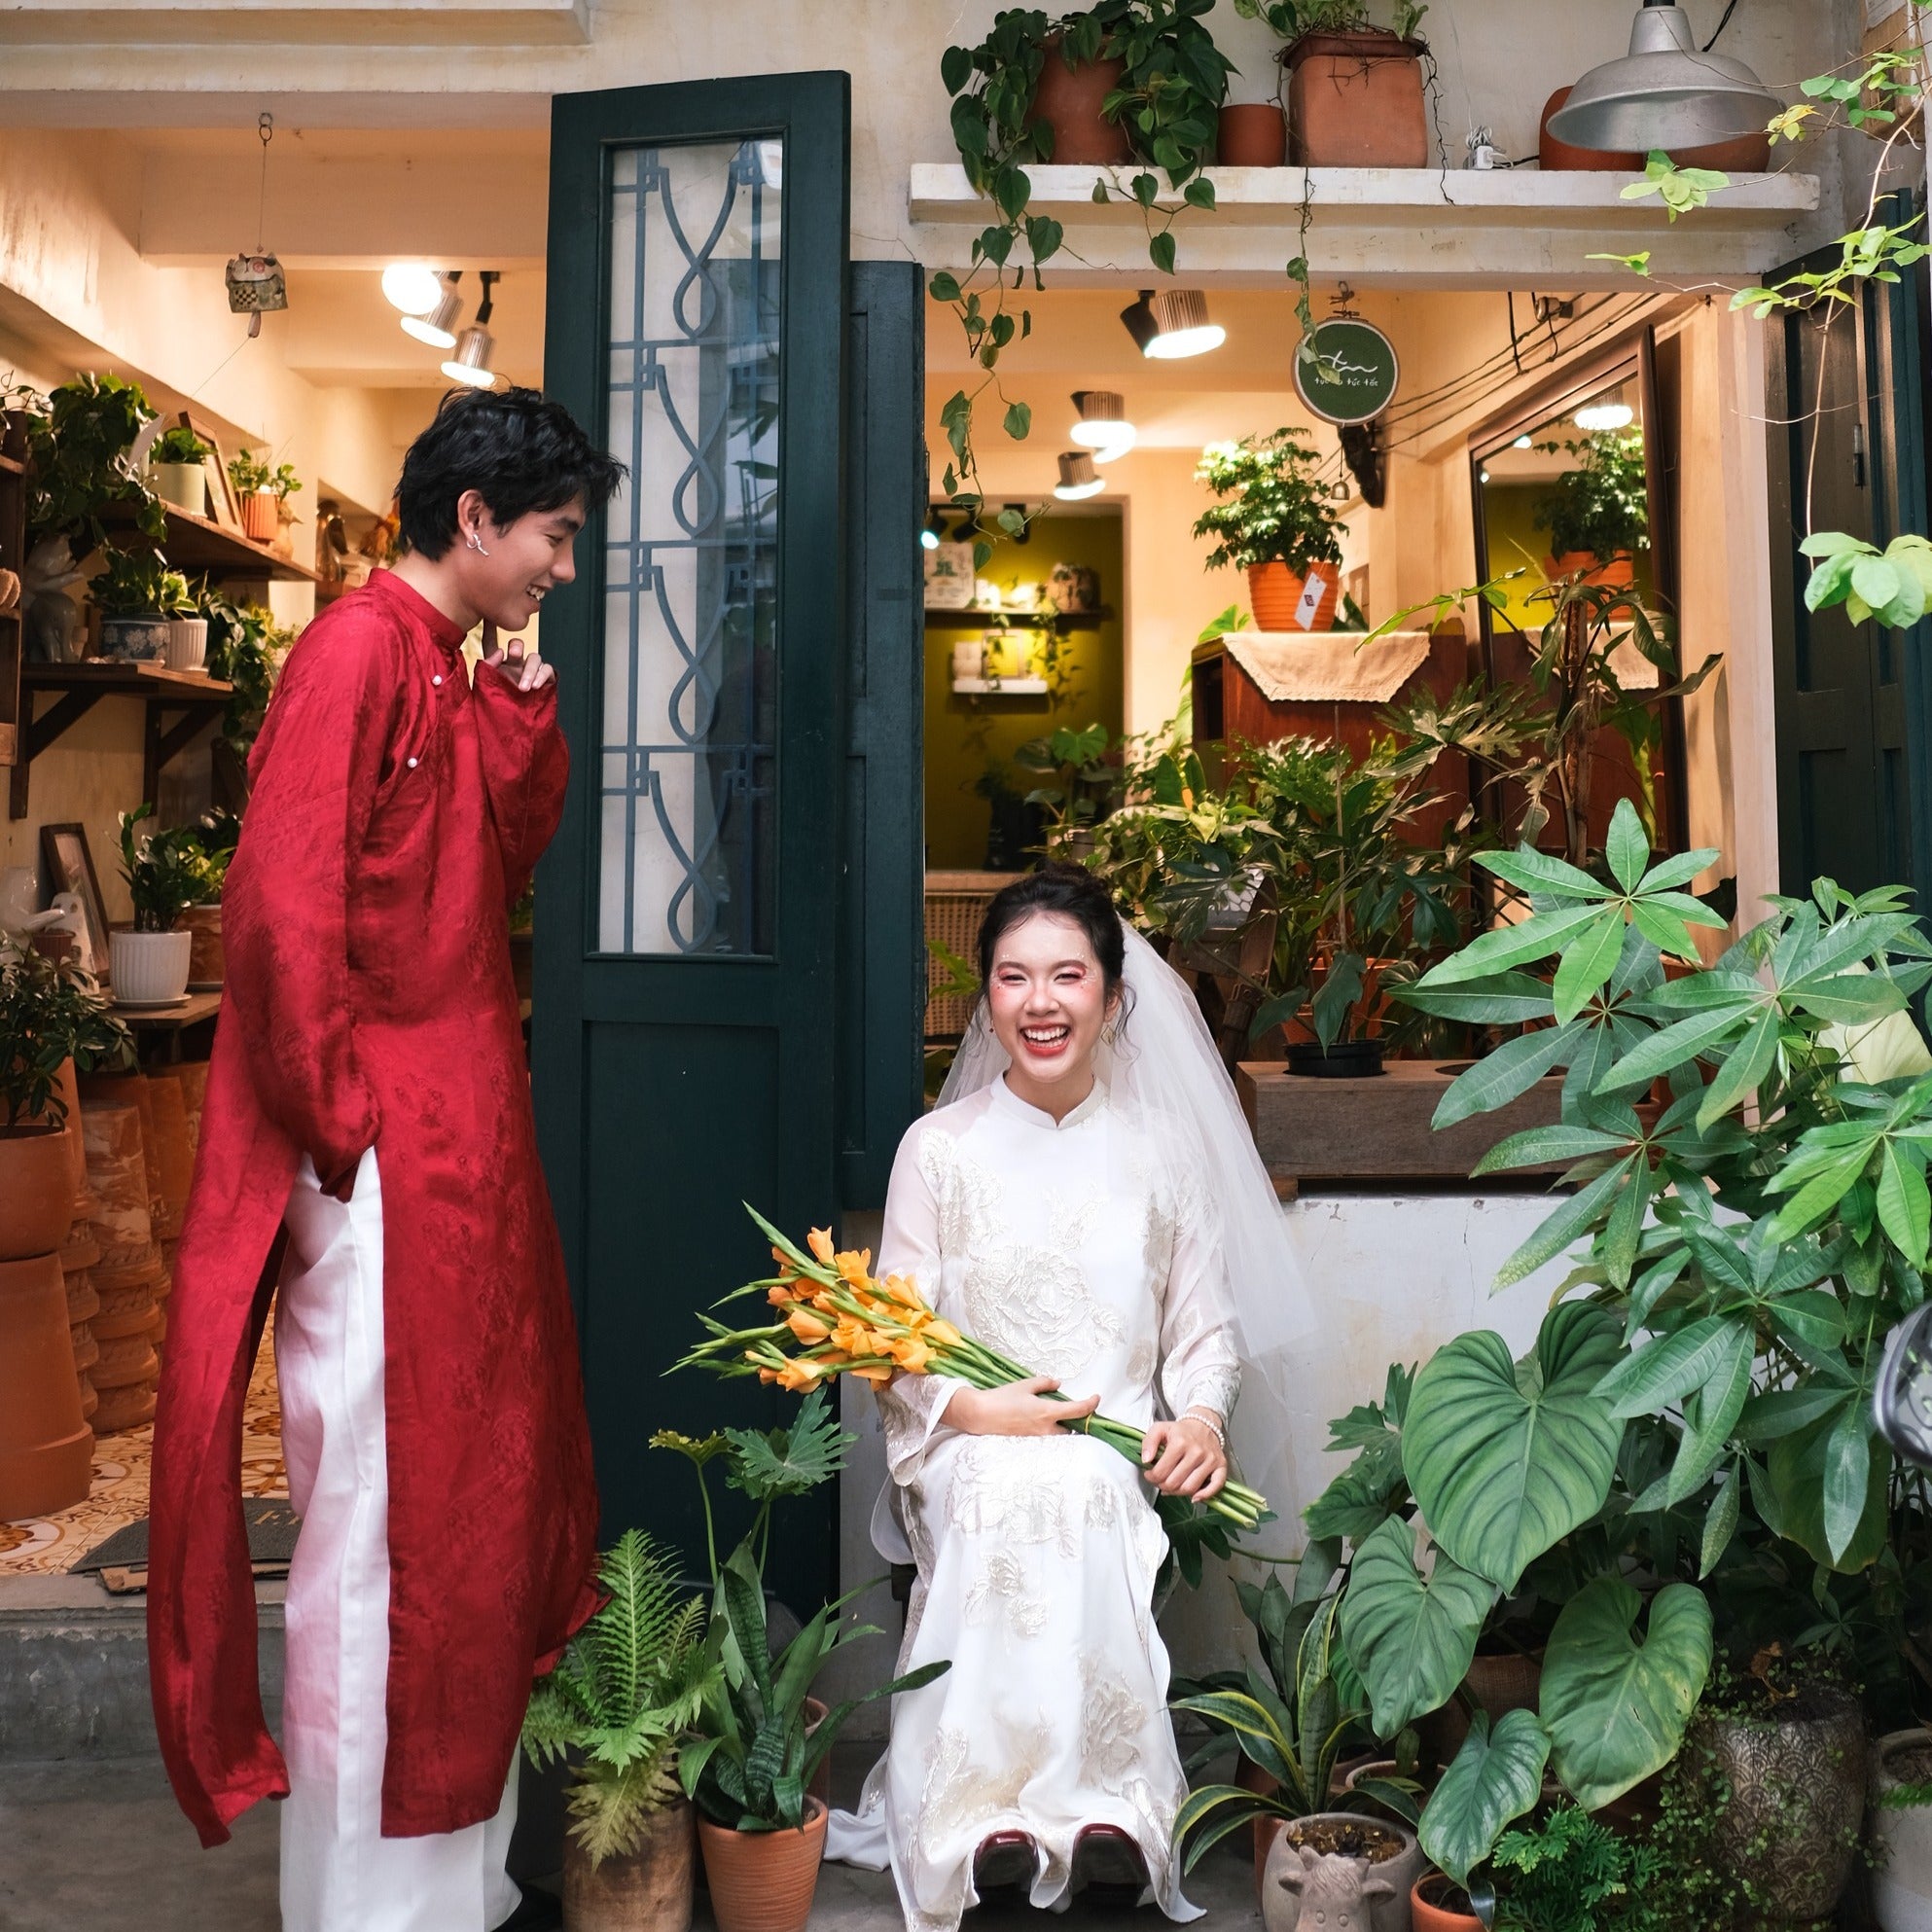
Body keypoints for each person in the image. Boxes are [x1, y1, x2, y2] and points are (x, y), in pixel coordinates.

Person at [147, 387, 625, 1932]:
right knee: (381, 1530)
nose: (564, 563)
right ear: (475, 518)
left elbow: (495, 863)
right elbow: (279, 916)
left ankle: (441, 1886)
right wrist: (345, 1134)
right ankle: (368, 1906)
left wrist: (519, 694)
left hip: (446, 1161)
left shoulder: (437, 658)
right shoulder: (355, 650)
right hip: (387, 1170)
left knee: (458, 1515)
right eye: (552, 535)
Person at [826, 862, 1312, 1929]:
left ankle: (1106, 1802)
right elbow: (894, 1345)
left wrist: (1200, 1418)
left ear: (1111, 996)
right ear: (986, 999)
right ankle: (980, 1812)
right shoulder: (936, 1152)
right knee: (1006, 1491)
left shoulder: (1163, 1153)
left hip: (1110, 1437)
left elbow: (1203, 1330)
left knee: (1087, 1488)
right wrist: (976, 1412)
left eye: (1066, 976)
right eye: (1013, 977)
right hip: (968, 1440)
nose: (1039, 1002)